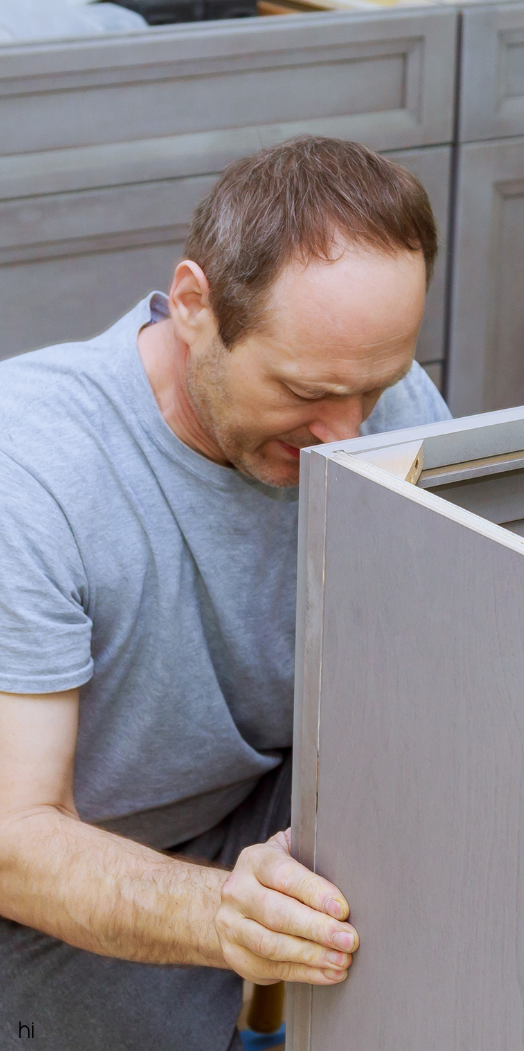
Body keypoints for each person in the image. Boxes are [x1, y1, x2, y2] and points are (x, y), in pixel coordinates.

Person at [0, 137, 451, 1050]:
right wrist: (226, 916)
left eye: (376, 386)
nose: (347, 436)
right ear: (194, 306)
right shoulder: (32, 470)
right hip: (65, 879)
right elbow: (14, 840)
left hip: (256, 832)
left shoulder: (375, 407)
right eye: (305, 390)